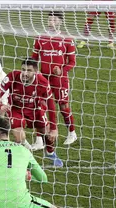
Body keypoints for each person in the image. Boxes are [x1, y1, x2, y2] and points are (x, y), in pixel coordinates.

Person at [0, 58, 63, 167]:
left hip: (35, 110)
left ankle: (50, 152)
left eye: (29, 70)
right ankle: (24, 157)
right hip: (16, 109)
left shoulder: (43, 82)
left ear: (35, 71)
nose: (25, 73)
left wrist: (54, 128)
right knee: (19, 136)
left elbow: (51, 105)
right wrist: (0, 105)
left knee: (48, 133)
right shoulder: (12, 76)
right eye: (23, 69)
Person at [32, 11, 77, 147]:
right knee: (40, 106)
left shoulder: (67, 39)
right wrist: (36, 70)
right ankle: (39, 140)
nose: (51, 22)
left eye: (54, 20)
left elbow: (72, 62)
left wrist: (61, 70)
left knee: (63, 106)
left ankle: (72, 133)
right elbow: (34, 59)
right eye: (49, 20)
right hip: (43, 79)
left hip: (60, 80)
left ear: (60, 22)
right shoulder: (40, 38)